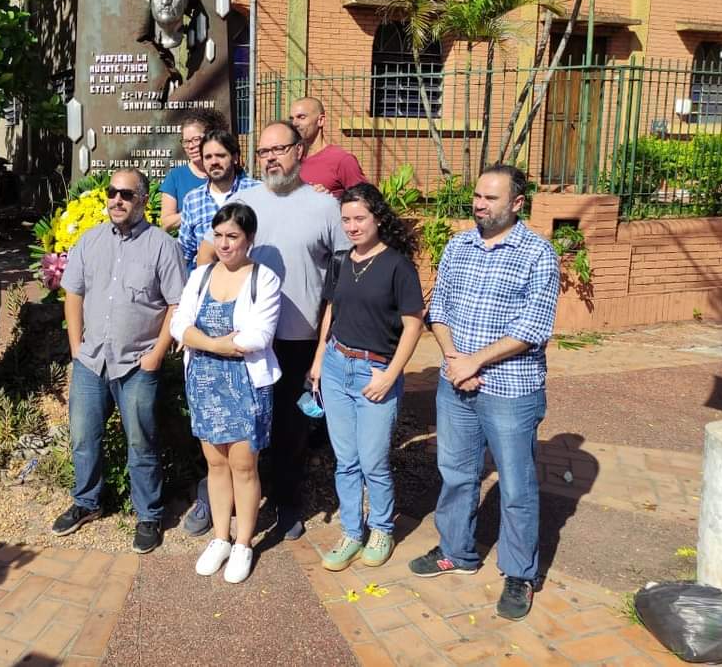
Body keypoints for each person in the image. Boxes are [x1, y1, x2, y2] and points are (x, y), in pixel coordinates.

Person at [411, 164, 560, 622]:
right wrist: (457, 360)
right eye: (477, 195)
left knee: (516, 486)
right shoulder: (459, 245)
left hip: (510, 390)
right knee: (456, 472)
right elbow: (439, 308)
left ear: (516, 204)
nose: (479, 204)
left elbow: (533, 327)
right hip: (456, 382)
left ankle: (519, 572)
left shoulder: (538, 254)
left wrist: (477, 362)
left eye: (490, 198)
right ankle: (456, 550)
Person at [201, 121, 348, 539]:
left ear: (299, 151)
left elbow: (338, 280)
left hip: (297, 338)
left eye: (278, 150)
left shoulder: (324, 207)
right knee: (235, 428)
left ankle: (286, 503)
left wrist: (323, 345)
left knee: (288, 428)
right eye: (263, 152)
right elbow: (211, 252)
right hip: (239, 342)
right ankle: (225, 506)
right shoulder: (243, 201)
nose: (269, 158)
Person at [52, 168, 187, 553]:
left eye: (126, 194)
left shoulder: (163, 246)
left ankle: (148, 515)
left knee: (141, 441)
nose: (117, 200)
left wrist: (157, 354)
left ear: (143, 200)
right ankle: (86, 502)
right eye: (112, 192)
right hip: (91, 361)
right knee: (82, 437)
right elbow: (73, 294)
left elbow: (176, 304)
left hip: (137, 364)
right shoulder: (89, 241)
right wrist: (76, 348)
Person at [309, 183, 424, 572]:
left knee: (373, 460)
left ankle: (381, 528)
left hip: (376, 371)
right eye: (346, 220)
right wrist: (319, 360)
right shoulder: (341, 261)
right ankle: (352, 532)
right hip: (337, 367)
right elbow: (331, 312)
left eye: (360, 218)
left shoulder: (397, 265)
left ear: (378, 217)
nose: (353, 226)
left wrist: (391, 375)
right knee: (346, 460)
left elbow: (413, 326)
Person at [171, 203, 282, 583]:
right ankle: (221, 537)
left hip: (245, 385)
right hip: (203, 381)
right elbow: (178, 324)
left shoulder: (263, 279)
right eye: (218, 236)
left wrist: (200, 341)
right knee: (215, 465)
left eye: (232, 236)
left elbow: (257, 336)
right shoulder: (200, 276)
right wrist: (218, 345)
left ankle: (244, 543)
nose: (224, 244)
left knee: (243, 467)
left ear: (249, 239)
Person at [177, 128, 259, 271]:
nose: (214, 162)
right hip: (208, 282)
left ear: (235, 157)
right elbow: (184, 252)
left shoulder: (256, 192)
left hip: (249, 279)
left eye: (220, 155)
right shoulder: (193, 199)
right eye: (208, 157)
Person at [160, 109, 226, 232]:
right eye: (186, 142)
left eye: (196, 139)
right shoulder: (175, 176)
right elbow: (166, 222)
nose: (191, 146)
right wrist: (198, 210)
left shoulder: (227, 173)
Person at [290, 97, 366, 198]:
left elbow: (365, 202)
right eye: (292, 119)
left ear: (320, 120)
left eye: (301, 117)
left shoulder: (342, 160)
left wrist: (329, 200)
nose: (294, 123)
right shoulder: (291, 159)